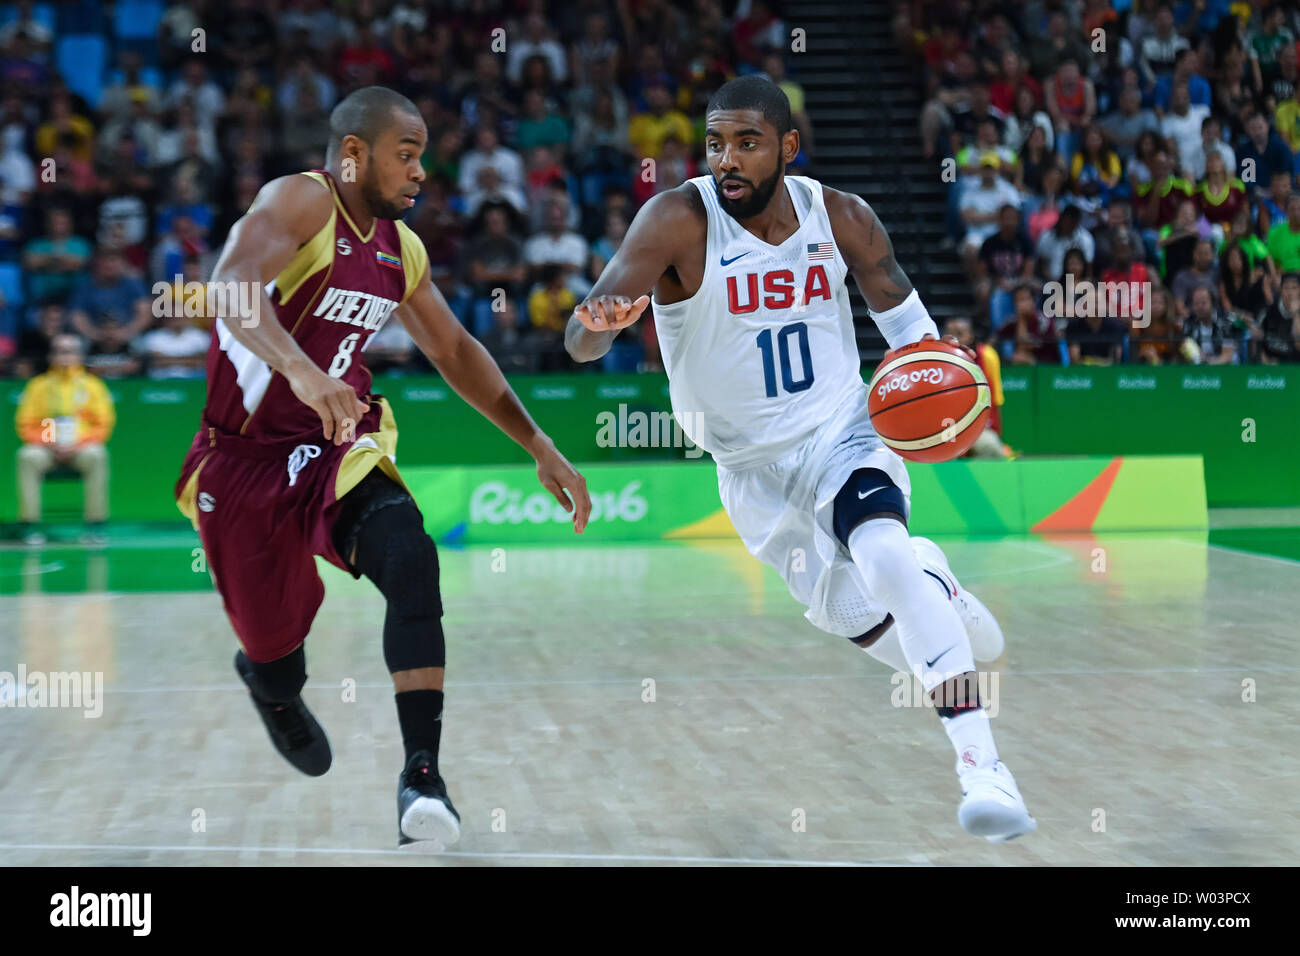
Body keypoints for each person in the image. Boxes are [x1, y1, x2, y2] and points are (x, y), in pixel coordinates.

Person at [564, 76, 1036, 843]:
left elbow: (915, 341)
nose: (727, 160)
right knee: (853, 613)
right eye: (716, 142)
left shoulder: (841, 216)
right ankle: (936, 586)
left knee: (883, 554)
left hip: (841, 430)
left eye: (747, 141)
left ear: (787, 145)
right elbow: (579, 341)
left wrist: (945, 404)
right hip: (749, 471)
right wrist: (601, 324)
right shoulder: (677, 219)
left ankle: (983, 766)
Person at [173, 87, 592, 851]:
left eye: (423, 155)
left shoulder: (402, 251)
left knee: (411, 555)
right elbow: (227, 287)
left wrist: (538, 443)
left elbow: (458, 352)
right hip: (244, 465)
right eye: (407, 152)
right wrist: (301, 371)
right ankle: (270, 685)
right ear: (354, 154)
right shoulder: (301, 200)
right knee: (276, 659)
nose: (421, 170)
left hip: (339, 444)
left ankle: (422, 777)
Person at [14, 334, 114, 546]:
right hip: (47, 448)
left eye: (69, 351)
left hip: (80, 448)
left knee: (97, 454)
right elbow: (26, 423)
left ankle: (95, 526)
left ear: (79, 355)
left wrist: (78, 444)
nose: (64, 356)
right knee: (26, 455)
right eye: (59, 351)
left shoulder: (93, 386)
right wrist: (48, 442)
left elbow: (103, 424)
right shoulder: (38, 386)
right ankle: (31, 526)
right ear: (51, 355)